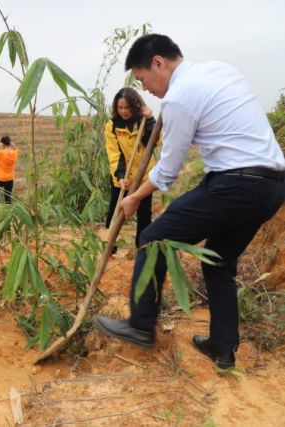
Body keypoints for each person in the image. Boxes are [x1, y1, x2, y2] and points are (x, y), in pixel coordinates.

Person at [93, 34, 285, 369]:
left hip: (235, 184)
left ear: (158, 63)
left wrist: (135, 197)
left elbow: (167, 170)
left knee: (153, 238)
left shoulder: (179, 98)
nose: (147, 88)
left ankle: (140, 326)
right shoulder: (219, 72)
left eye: (143, 80)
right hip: (271, 186)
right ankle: (222, 348)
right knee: (218, 261)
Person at [104, 88, 156, 252]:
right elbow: (114, 153)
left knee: (144, 214)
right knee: (115, 211)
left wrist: (150, 120)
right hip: (122, 177)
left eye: (127, 108)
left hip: (143, 177)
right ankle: (109, 248)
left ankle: (142, 248)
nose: (124, 112)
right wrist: (120, 176)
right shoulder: (112, 126)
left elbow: (152, 142)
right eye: (120, 108)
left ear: (134, 106)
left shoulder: (142, 121)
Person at [0, 135, 19, 203]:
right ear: (9, 143)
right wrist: (13, 146)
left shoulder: (0, 153)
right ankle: (9, 211)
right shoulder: (14, 153)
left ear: (2, 144)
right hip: (10, 179)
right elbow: (17, 151)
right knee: (8, 197)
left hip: (0, 179)